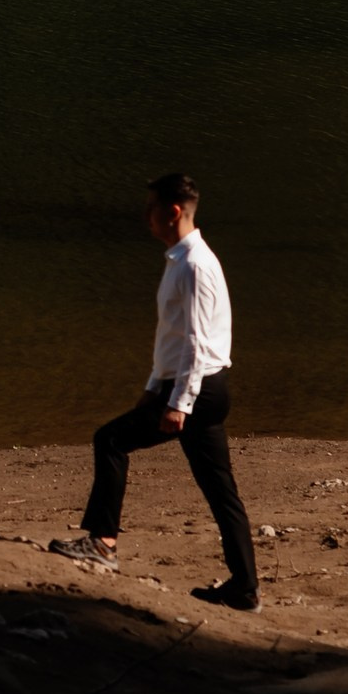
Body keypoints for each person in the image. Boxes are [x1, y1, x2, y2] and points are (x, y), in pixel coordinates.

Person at [49, 173, 259, 610]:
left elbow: (197, 343)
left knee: (110, 441)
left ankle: (103, 544)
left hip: (197, 390)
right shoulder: (181, 260)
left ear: (173, 212)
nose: (145, 215)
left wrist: (178, 404)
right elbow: (172, 337)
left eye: (151, 208)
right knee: (220, 491)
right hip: (196, 387)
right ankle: (244, 588)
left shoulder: (195, 265)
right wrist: (152, 387)